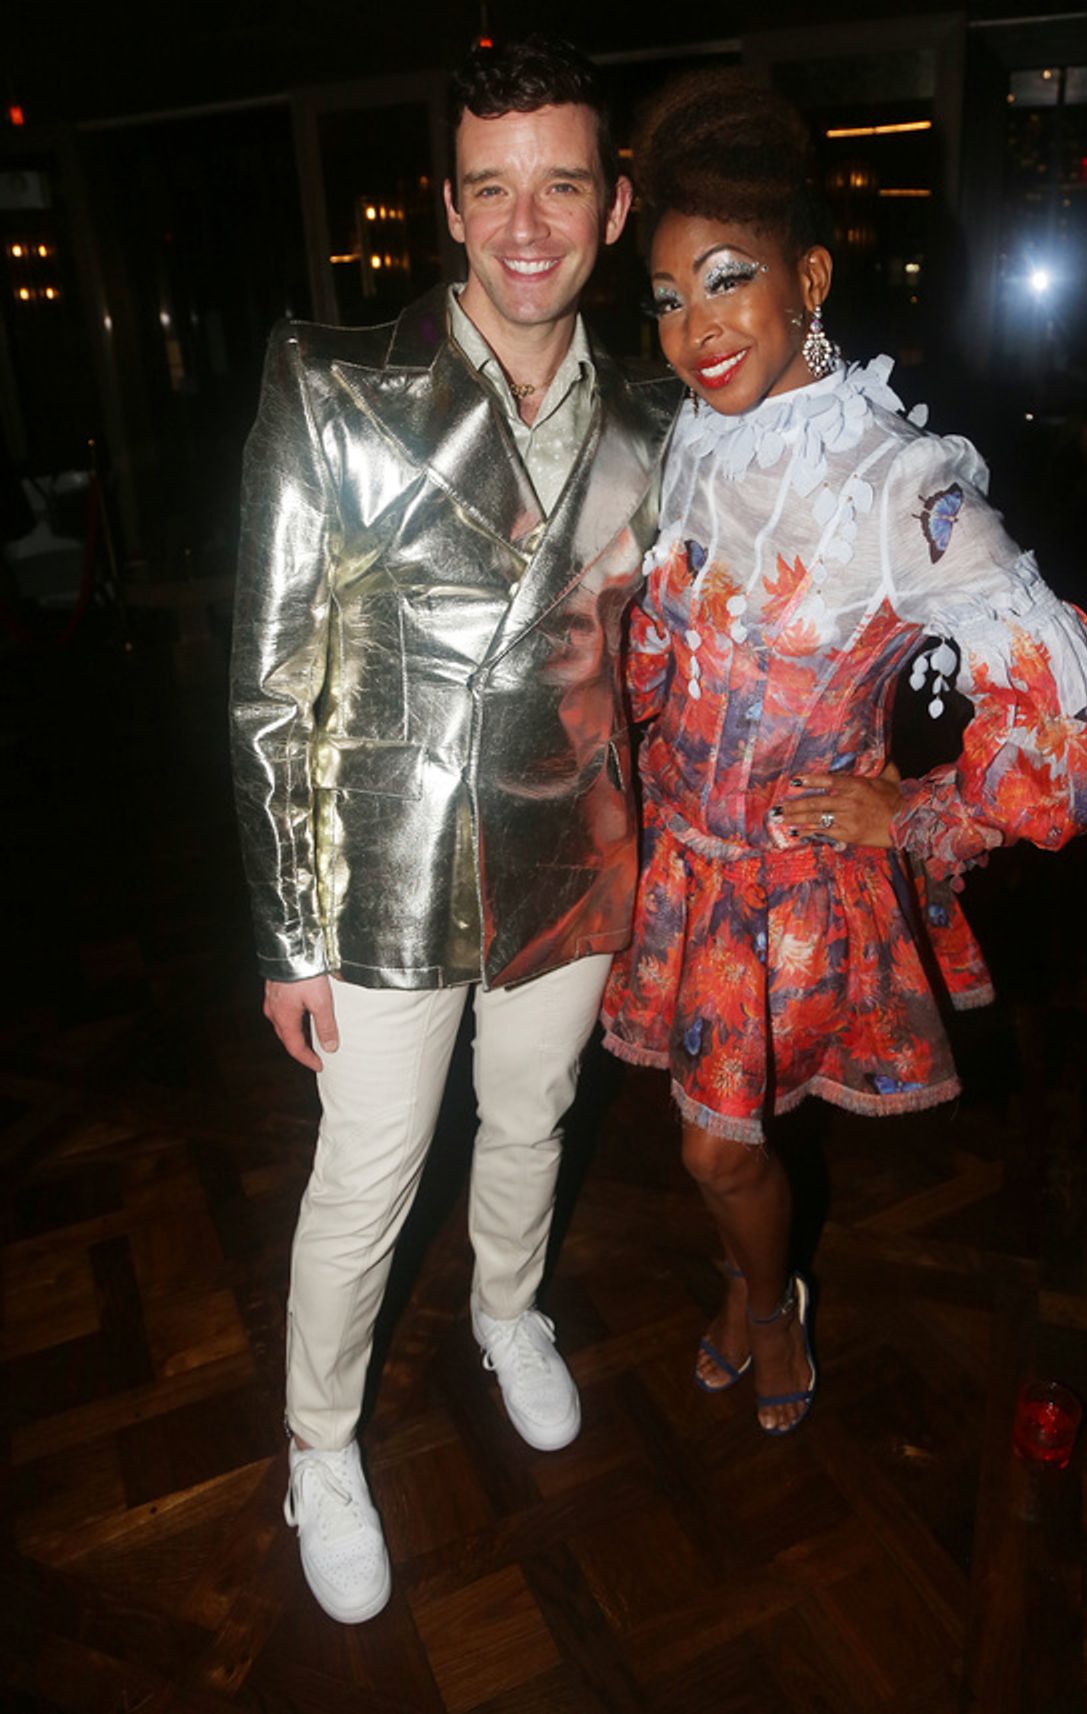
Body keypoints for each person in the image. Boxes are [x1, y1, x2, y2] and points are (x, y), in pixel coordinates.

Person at [601, 73, 1087, 1438]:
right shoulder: (690, 439)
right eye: (666, 297)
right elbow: (660, 651)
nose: (694, 326)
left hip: (793, 888)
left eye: (726, 281)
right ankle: (754, 1280)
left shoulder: (903, 481)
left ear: (812, 278)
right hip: (685, 865)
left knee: (715, 1146)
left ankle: (773, 1299)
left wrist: (919, 808)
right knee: (733, 1143)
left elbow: (1075, 728)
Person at [229, 35, 679, 1624]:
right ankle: (320, 1441)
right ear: (449, 207)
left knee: (535, 1120)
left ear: (616, 205)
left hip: (576, 858)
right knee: (366, 1176)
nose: (528, 223)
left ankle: (507, 1311)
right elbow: (271, 687)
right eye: (492, 189)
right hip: (386, 879)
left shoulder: (654, 415)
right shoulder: (331, 382)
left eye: (562, 183)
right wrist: (288, 930)